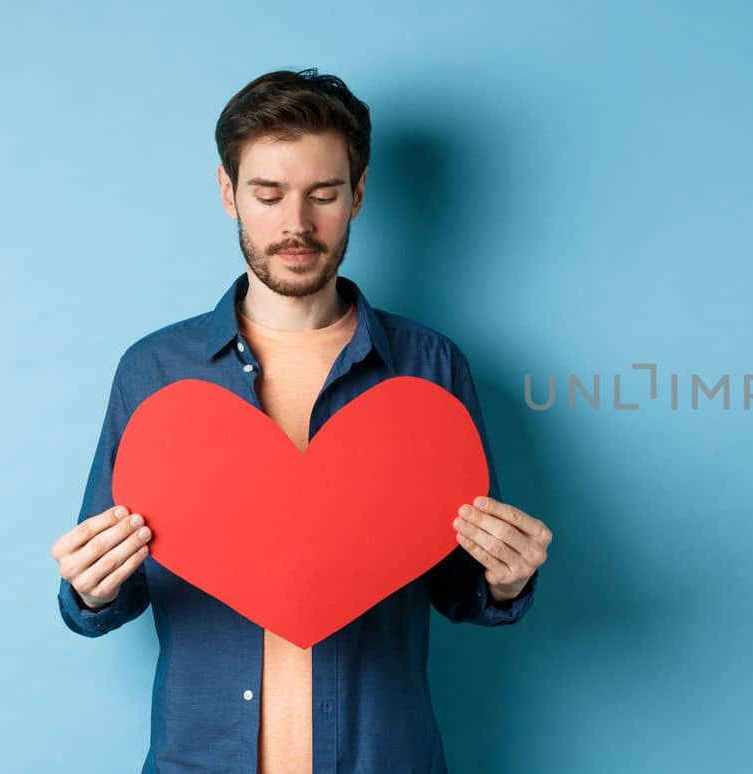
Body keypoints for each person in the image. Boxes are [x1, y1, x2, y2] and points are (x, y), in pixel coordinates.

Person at [48, 68, 552, 774]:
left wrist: (504, 579)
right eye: (268, 194)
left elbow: (458, 587)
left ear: (359, 194)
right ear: (229, 194)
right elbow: (104, 594)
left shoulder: (429, 370)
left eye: (323, 194)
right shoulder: (154, 374)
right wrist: (90, 587)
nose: (296, 224)